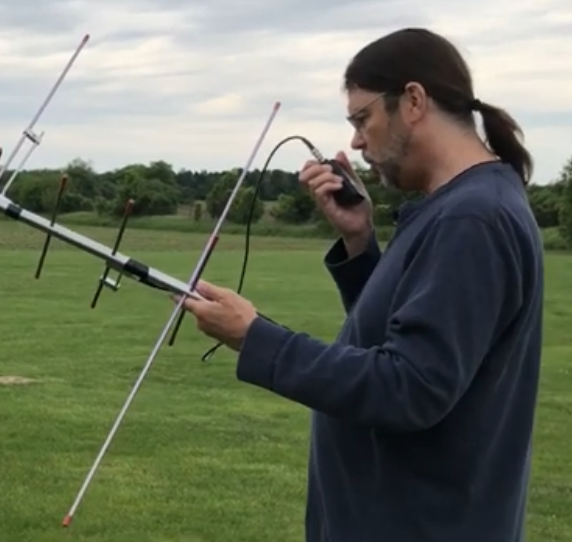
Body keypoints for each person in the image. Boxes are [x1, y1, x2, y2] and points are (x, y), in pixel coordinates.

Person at [178, 27, 545, 542]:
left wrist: (255, 337)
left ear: (413, 101)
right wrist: (359, 243)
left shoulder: (472, 218)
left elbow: (409, 389)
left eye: (362, 118)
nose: (353, 141)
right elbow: (404, 337)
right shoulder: (461, 206)